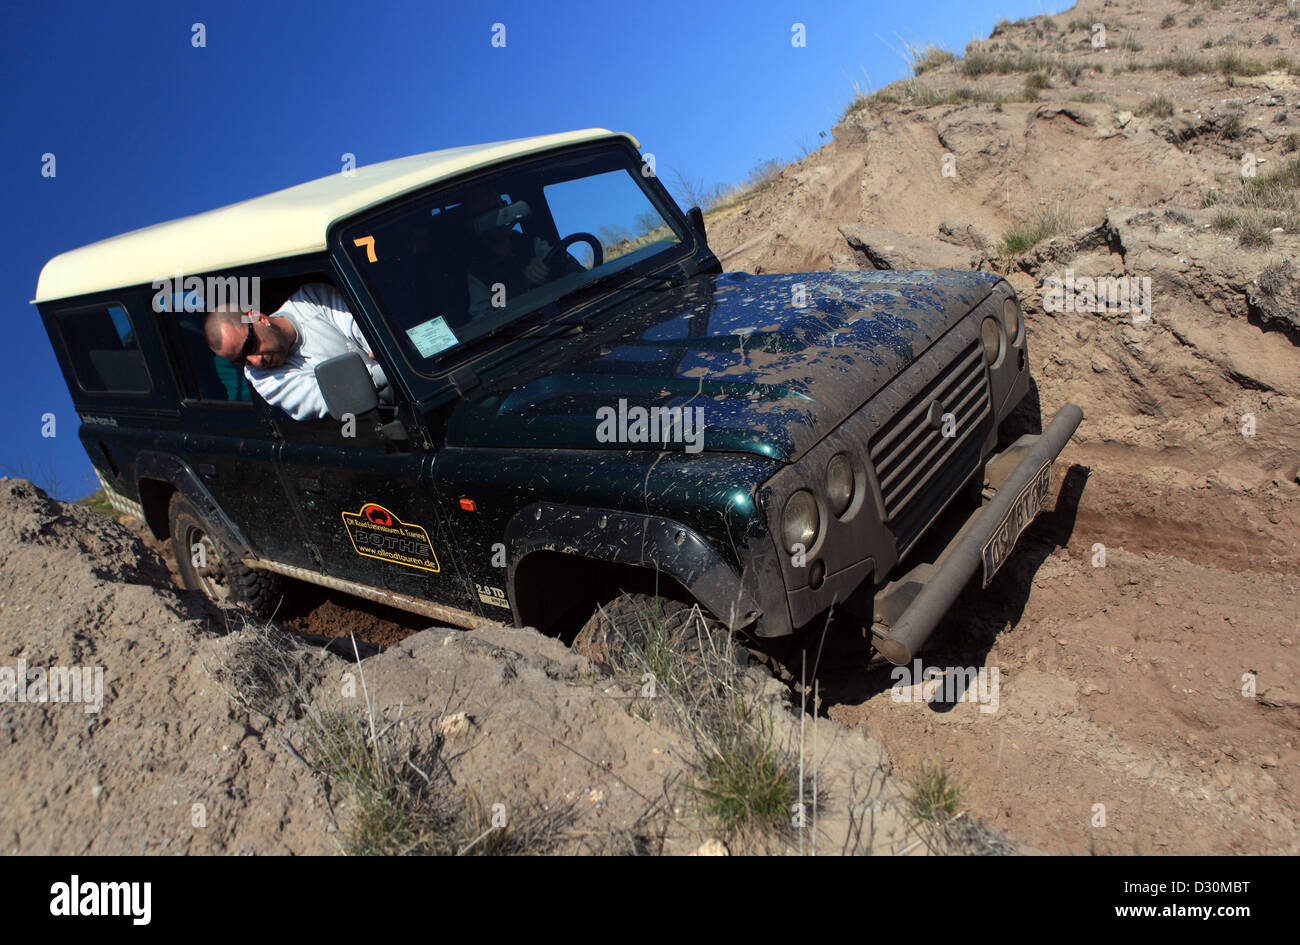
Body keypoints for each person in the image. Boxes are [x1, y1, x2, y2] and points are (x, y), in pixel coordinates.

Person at [203, 282, 390, 421]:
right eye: (241, 360)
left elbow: (375, 336)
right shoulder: (261, 377)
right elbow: (337, 397)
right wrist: (387, 367)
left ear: (259, 318)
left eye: (250, 346)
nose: (255, 361)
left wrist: (385, 356)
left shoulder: (312, 300)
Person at [463, 186, 583, 318]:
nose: (498, 218)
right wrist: (522, 285)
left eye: (499, 208)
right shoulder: (479, 274)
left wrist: (549, 271)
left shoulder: (533, 244)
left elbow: (576, 276)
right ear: (473, 225)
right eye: (487, 215)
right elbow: (485, 322)